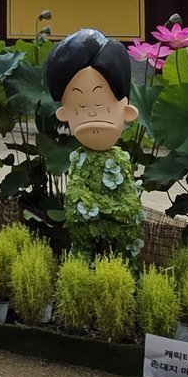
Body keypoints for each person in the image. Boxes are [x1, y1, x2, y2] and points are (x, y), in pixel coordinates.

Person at [43, 28, 144, 258]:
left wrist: (123, 210)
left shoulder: (120, 160)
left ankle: (123, 267)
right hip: (85, 221)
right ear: (64, 114)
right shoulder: (79, 160)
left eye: (101, 107)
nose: (91, 115)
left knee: (125, 243)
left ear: (127, 111)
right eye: (80, 108)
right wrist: (85, 207)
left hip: (119, 222)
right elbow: (77, 188)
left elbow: (128, 194)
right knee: (82, 245)